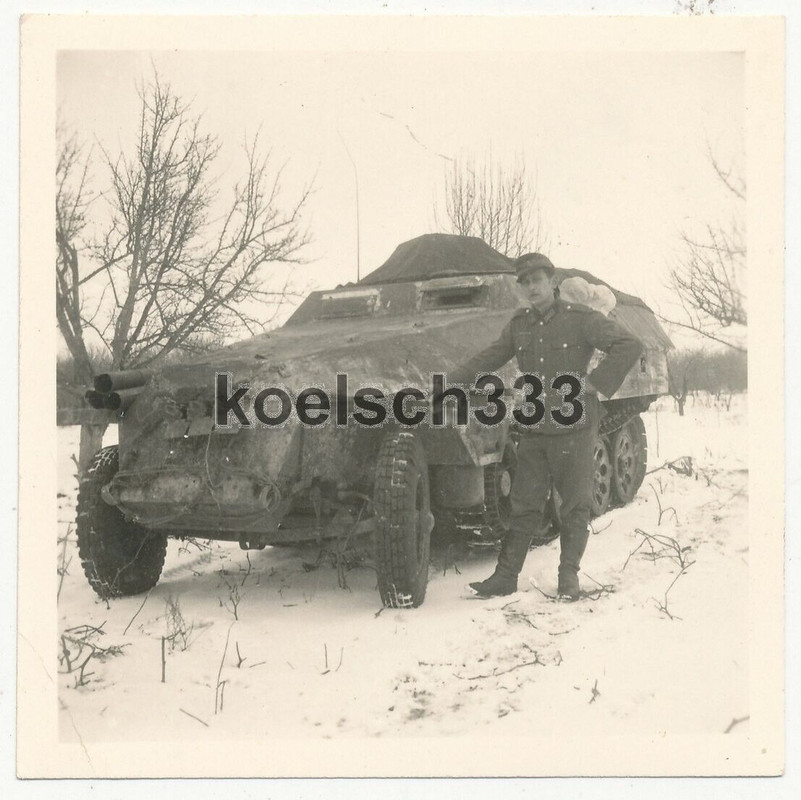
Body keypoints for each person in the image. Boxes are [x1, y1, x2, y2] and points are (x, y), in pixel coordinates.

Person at [449, 253, 643, 600]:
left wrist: (595, 383)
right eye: (524, 282)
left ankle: (568, 577)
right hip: (536, 426)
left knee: (574, 505)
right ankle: (506, 577)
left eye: (537, 280)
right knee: (524, 504)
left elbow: (629, 345)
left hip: (574, 427)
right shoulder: (520, 324)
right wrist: (449, 382)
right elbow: (490, 356)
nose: (531, 288)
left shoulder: (580, 318)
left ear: (552, 282)